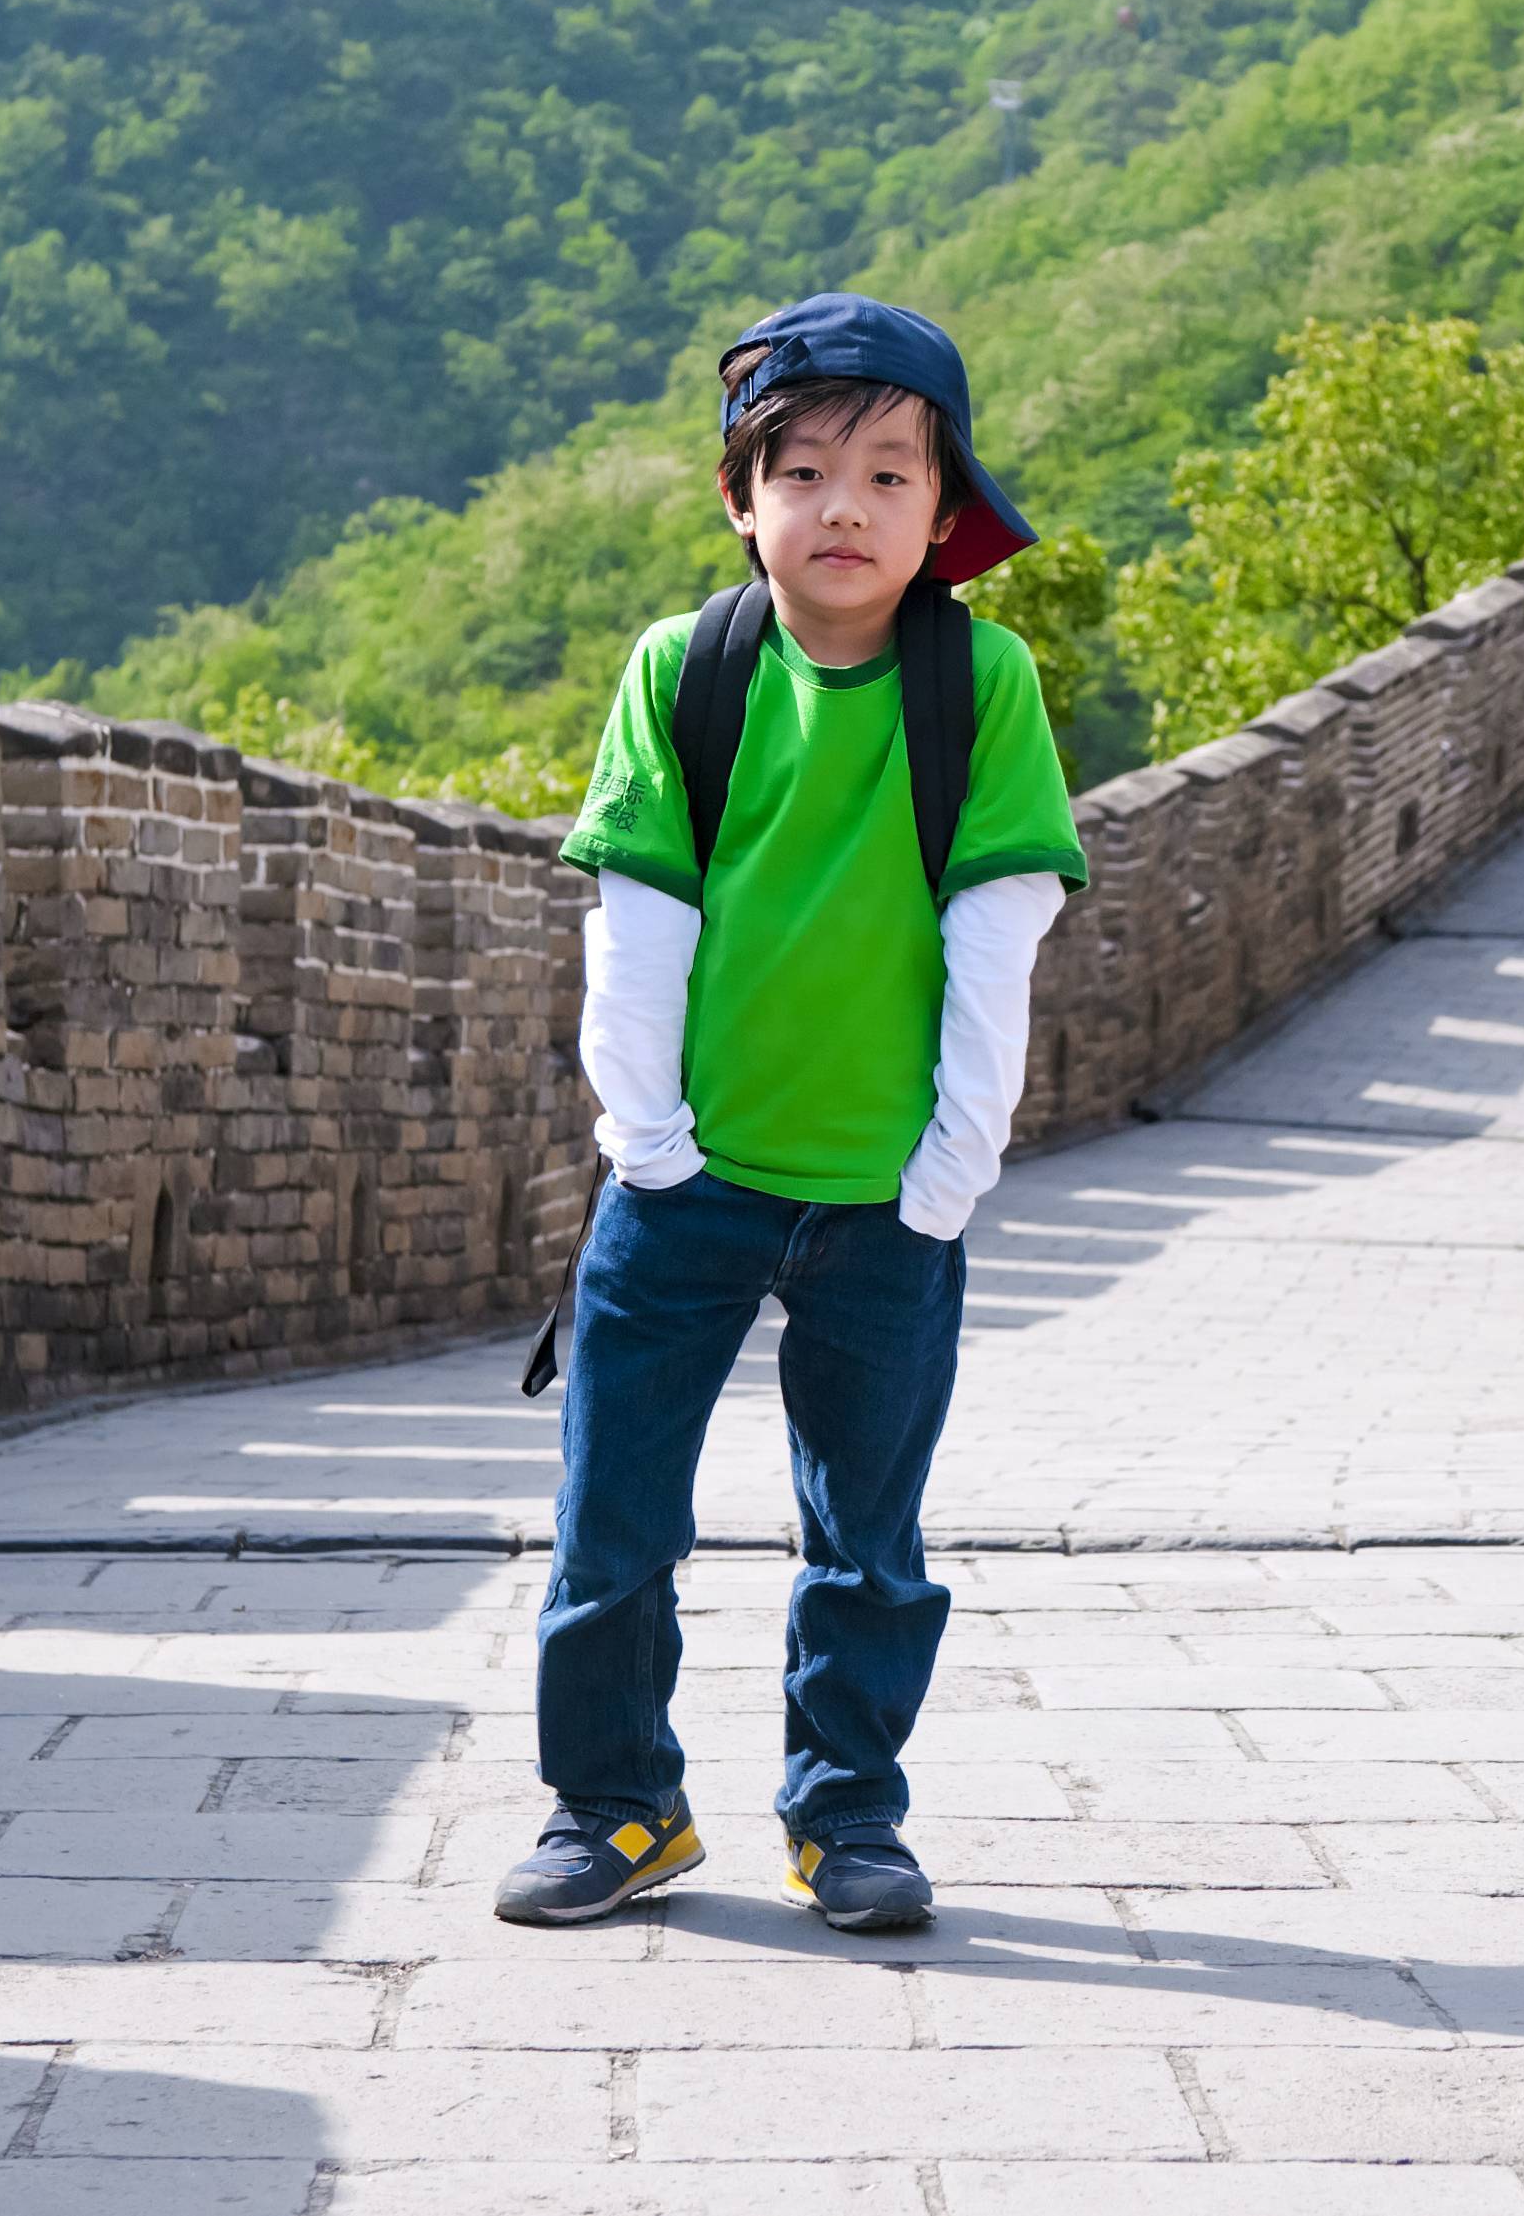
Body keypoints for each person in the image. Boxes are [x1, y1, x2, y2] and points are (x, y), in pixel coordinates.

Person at [499, 293, 1084, 1934]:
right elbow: (635, 915)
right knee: (613, 1522)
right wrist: (647, 1139)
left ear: (942, 510)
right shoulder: (688, 672)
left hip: (884, 1200)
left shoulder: (983, 683)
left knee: (868, 1540)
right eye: (805, 469)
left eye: (890, 474)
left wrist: (950, 1163)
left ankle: (847, 1818)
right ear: (740, 496)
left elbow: (999, 920)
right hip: (680, 1188)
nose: (844, 506)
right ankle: (615, 1809)